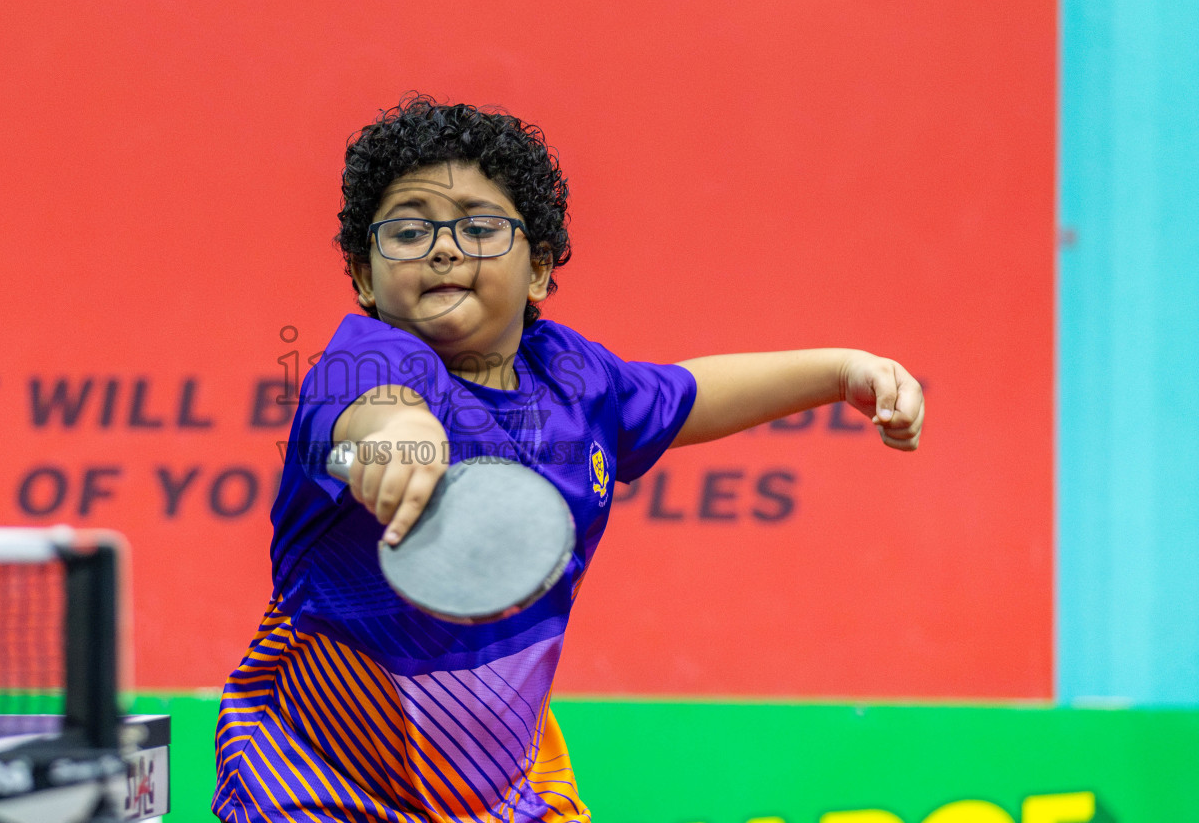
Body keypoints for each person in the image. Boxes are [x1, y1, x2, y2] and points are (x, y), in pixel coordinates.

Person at [212, 98, 924, 822]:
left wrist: (842, 372)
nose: (442, 246)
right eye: (408, 229)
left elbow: (688, 394)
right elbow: (376, 403)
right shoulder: (367, 356)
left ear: (541, 270)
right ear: (366, 279)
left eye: (480, 226)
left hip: (502, 790)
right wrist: (400, 437)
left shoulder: (575, 379)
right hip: (317, 781)